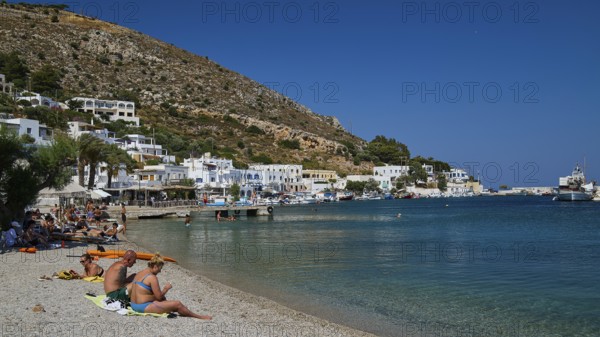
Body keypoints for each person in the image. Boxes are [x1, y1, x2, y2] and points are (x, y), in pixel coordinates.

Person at [129, 254, 212, 319]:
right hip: (142, 307)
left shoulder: (139, 273)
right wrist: (166, 288)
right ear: (155, 266)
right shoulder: (152, 277)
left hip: (133, 304)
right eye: (160, 269)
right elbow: (159, 298)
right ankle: (199, 317)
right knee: (177, 304)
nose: (160, 271)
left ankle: (181, 309)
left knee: (168, 302)